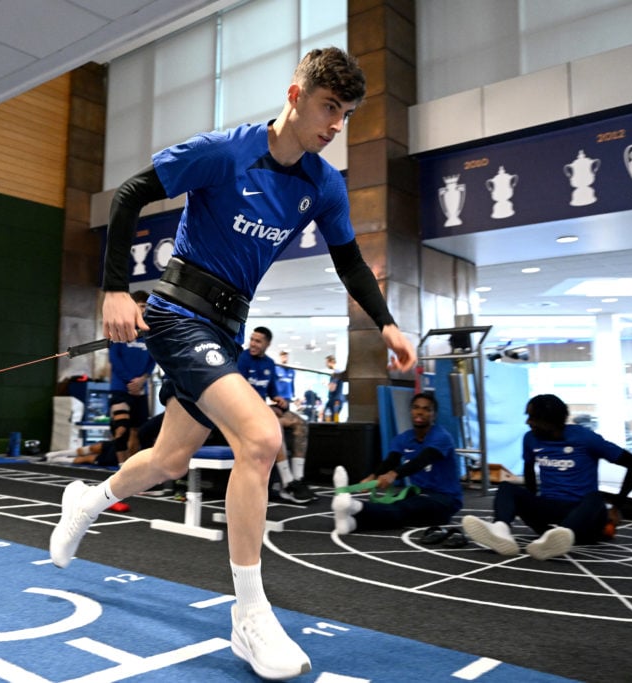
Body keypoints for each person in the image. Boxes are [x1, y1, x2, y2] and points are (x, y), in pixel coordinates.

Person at [50, 47, 416, 680]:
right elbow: (133, 192)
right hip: (178, 312)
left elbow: (350, 261)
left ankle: (89, 496)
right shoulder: (225, 151)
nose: (337, 125)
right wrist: (112, 289)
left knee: (169, 459)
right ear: (296, 96)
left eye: (348, 114)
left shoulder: (323, 185)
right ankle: (249, 616)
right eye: (330, 107)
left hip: (227, 325)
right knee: (262, 437)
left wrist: (385, 324)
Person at [463, 394, 632, 560]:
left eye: (533, 418)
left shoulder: (585, 438)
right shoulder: (530, 439)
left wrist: (616, 506)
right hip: (549, 512)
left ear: (552, 420)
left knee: (596, 497)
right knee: (507, 487)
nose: (528, 422)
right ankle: (501, 530)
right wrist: (530, 500)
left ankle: (562, 535)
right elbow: (528, 471)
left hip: (583, 518)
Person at [332, 392, 462, 539]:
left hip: (444, 498)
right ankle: (351, 523)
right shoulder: (404, 438)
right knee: (399, 509)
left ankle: (354, 506)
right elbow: (391, 460)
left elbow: (421, 461)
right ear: (410, 411)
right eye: (416, 407)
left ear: (434, 415)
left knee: (403, 508)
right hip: (418, 492)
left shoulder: (441, 437)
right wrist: (372, 477)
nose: (420, 412)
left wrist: (393, 475)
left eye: (427, 409)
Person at [238, 326, 315, 504]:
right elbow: (239, 393)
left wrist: (280, 401)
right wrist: (266, 409)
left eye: (258, 341)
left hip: (264, 411)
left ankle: (298, 479)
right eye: (252, 339)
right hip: (245, 413)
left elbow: (273, 393)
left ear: (267, 344)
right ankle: (287, 483)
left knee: (301, 423)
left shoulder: (270, 363)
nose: (253, 344)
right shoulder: (242, 359)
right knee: (275, 424)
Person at [107, 290, 155, 464]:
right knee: (121, 429)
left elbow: (153, 361)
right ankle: (120, 467)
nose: (144, 309)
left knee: (137, 432)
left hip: (140, 389)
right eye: (142, 306)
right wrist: (130, 381)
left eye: (146, 306)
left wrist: (142, 379)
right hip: (121, 387)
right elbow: (114, 358)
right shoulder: (119, 329)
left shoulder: (149, 333)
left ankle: (130, 471)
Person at [323, 354, 344, 421]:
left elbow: (332, 388)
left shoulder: (337, 372)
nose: (326, 364)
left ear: (331, 362)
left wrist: (326, 384)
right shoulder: (336, 372)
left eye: (326, 362)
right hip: (335, 399)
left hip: (335, 400)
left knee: (332, 420)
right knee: (333, 419)